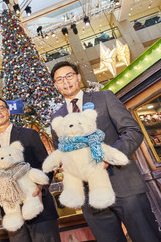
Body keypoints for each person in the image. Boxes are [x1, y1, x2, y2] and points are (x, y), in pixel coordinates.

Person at [50, 61, 161, 242]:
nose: (66, 81)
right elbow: (61, 150)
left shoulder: (104, 98)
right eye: (60, 79)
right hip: (90, 196)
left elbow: (132, 131)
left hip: (124, 186)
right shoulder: (57, 118)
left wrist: (108, 157)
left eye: (69, 76)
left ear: (78, 77)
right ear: (55, 85)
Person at [0, 97, 61, 242]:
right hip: (13, 215)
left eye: (2, 108)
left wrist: (40, 187)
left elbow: (46, 164)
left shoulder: (28, 135)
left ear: (8, 111)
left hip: (39, 207)